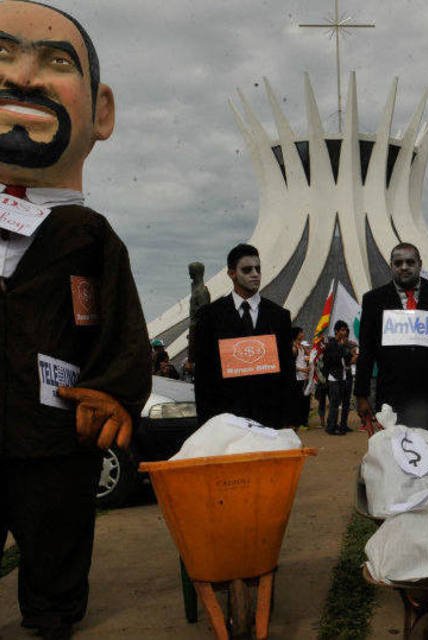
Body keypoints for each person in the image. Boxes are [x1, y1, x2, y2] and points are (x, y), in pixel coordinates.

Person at [0, 3, 151, 637]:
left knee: (56, 535)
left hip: (55, 428)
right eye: (2, 55)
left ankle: (53, 612)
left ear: (102, 112)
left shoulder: (89, 237)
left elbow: (123, 326)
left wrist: (114, 388)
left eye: (56, 62)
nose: (25, 78)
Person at [355, 242, 428, 443]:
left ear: (420, 264)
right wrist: (361, 395)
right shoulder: (374, 300)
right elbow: (366, 352)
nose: (404, 267)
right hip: (392, 398)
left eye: (410, 262)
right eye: (398, 263)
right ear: (391, 266)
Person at [193, 244, 298, 428]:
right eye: (247, 269)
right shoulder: (210, 316)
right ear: (232, 273)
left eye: (258, 269)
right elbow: (204, 377)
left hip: (270, 420)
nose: (255, 274)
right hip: (226, 420)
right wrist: (206, 424)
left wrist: (289, 419)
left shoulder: (279, 316)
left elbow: (287, 373)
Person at [323, 320, 356, 435]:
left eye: (345, 330)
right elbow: (332, 360)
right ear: (336, 331)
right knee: (334, 404)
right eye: (342, 330)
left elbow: (346, 359)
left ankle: (339, 425)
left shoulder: (342, 344)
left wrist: (353, 357)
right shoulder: (331, 344)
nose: (345, 331)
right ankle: (331, 428)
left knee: (341, 403)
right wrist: (342, 348)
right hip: (334, 377)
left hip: (342, 376)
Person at [292, 327, 311, 428]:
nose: (303, 334)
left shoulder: (302, 347)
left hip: (305, 377)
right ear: (296, 334)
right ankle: (298, 421)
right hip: (297, 378)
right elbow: (290, 364)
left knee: (306, 400)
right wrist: (302, 369)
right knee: (298, 400)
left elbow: (309, 357)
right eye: (301, 332)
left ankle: (304, 421)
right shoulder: (293, 347)